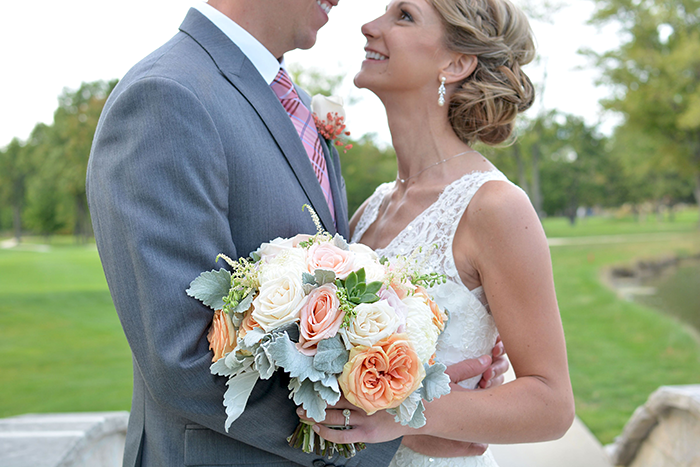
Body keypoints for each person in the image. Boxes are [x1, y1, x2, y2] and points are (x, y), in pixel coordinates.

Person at [85, 0, 509, 466]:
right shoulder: (167, 96)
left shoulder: (298, 106)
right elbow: (182, 360)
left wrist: (422, 365)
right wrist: (384, 429)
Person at [302, 0, 576, 465]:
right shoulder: (369, 210)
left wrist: (405, 417)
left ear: (456, 63)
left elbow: (551, 405)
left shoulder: (495, 207)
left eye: (403, 16)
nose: (369, 26)